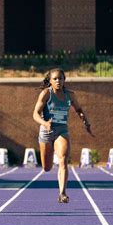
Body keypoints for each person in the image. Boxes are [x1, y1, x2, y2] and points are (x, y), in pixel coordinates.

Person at [33, 68, 93, 203]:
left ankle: (62, 193)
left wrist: (86, 122)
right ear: (50, 81)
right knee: (46, 167)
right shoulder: (45, 94)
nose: (58, 81)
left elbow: (79, 109)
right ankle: (51, 172)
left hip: (62, 130)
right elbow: (35, 114)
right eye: (55, 79)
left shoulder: (70, 95)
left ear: (64, 80)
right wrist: (45, 123)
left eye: (60, 78)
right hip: (47, 132)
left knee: (63, 160)